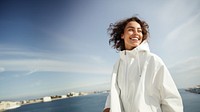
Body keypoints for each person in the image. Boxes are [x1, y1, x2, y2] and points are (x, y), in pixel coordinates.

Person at [103, 16, 183, 112]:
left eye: (139, 30)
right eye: (131, 30)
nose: (136, 33)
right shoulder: (118, 65)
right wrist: (107, 108)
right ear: (122, 35)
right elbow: (114, 92)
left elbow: (171, 99)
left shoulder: (153, 60)